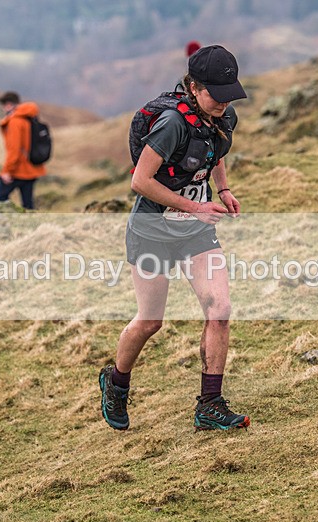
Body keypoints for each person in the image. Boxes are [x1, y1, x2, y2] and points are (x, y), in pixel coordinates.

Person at [99, 45, 250, 431]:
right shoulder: (172, 124)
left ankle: (210, 405)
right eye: (216, 94)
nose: (224, 102)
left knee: (220, 309)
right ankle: (116, 382)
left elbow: (215, 151)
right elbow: (140, 181)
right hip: (152, 231)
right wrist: (196, 206)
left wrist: (224, 189)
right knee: (151, 321)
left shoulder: (221, 114)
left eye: (229, 92)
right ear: (195, 87)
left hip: (195, 233)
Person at [0, 91, 46, 209]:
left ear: (9, 104)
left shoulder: (15, 122)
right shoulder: (29, 118)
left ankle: (8, 224)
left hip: (19, 170)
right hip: (32, 168)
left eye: (4, 104)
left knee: (1, 197)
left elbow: (14, 150)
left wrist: (7, 171)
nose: (3, 107)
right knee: (28, 204)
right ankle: (31, 226)